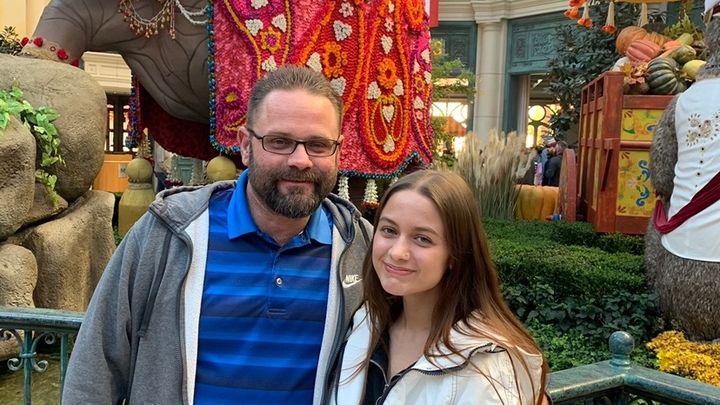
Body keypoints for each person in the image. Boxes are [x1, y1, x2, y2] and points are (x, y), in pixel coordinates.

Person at [62, 66, 373, 404]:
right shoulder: (167, 234)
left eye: (318, 144)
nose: (300, 160)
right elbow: (95, 368)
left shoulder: (362, 249)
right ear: (245, 146)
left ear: (338, 151)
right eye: (279, 142)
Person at [332, 170, 549, 404]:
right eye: (389, 230)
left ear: (455, 253)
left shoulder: (486, 365)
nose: (397, 252)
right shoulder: (364, 324)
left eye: (422, 239)